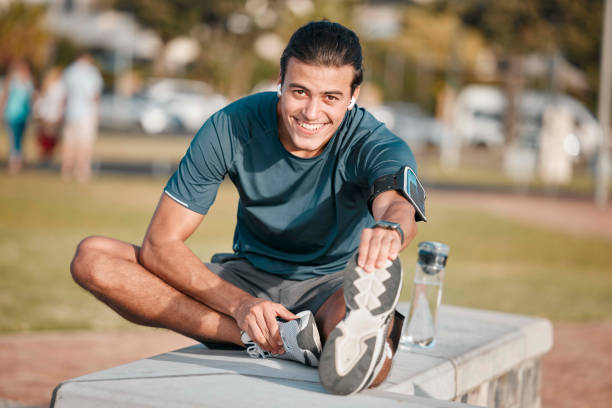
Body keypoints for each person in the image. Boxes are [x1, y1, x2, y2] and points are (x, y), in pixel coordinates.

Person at [70, 21, 427, 395]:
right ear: (280, 81)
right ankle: (268, 340)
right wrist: (240, 306)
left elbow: (396, 203)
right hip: (245, 277)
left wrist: (391, 229)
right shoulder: (231, 125)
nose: (311, 112)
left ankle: (355, 332)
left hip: (331, 285)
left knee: (360, 341)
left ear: (354, 94)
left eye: (331, 98)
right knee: (92, 259)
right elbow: (161, 243)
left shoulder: (373, 142)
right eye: (300, 91)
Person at [61, 53, 103, 182]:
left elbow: (64, 94)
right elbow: (95, 96)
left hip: (71, 113)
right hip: (87, 114)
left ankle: (66, 171)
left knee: (69, 144)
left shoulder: (70, 71)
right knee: (85, 145)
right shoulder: (92, 72)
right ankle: (82, 171)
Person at [1, 59, 34, 174]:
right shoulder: (11, 81)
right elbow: (4, 96)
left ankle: (18, 162)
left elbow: (30, 99)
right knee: (13, 139)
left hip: (23, 115)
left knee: (20, 139)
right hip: (11, 114)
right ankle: (13, 163)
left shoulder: (28, 82)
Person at [34, 67, 65, 162]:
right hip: (46, 114)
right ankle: (44, 156)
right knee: (44, 137)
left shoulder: (59, 86)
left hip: (52, 115)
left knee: (51, 137)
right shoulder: (48, 85)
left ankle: (48, 156)